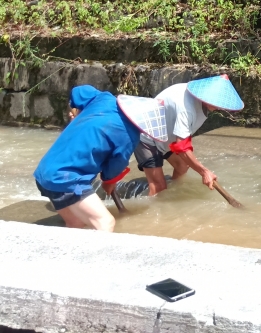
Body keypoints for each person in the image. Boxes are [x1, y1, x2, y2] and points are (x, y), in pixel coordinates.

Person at [34, 85, 169, 232]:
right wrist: (109, 181)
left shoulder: (104, 99)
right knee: (105, 222)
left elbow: (79, 91)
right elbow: (112, 172)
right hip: (66, 179)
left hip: (43, 174)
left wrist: (76, 112)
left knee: (76, 224)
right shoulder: (130, 137)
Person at [134, 75, 244, 195]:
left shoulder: (200, 102)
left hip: (166, 136)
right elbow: (182, 147)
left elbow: (183, 141)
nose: (219, 106)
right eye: (217, 102)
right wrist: (204, 172)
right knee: (159, 187)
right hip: (147, 136)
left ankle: (173, 195)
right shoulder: (186, 108)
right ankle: (152, 208)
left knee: (183, 165)